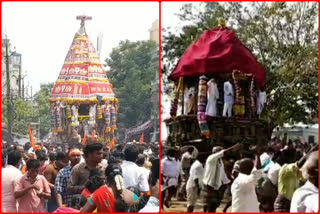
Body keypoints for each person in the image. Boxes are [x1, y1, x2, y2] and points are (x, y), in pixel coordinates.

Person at [273, 144, 317, 212]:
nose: (297, 156)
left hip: (293, 201)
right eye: (294, 155)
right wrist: (310, 153)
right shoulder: (284, 169)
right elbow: (298, 164)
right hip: (283, 203)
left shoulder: (299, 172)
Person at [202, 143, 242, 212]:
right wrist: (234, 147)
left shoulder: (220, 162)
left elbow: (223, 176)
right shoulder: (211, 158)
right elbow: (224, 152)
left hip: (216, 188)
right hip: (209, 187)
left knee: (213, 207)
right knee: (209, 207)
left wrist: (231, 182)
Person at [231, 145, 264, 212]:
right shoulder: (242, 180)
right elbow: (257, 173)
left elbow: (257, 172)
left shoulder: (244, 178)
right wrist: (257, 154)